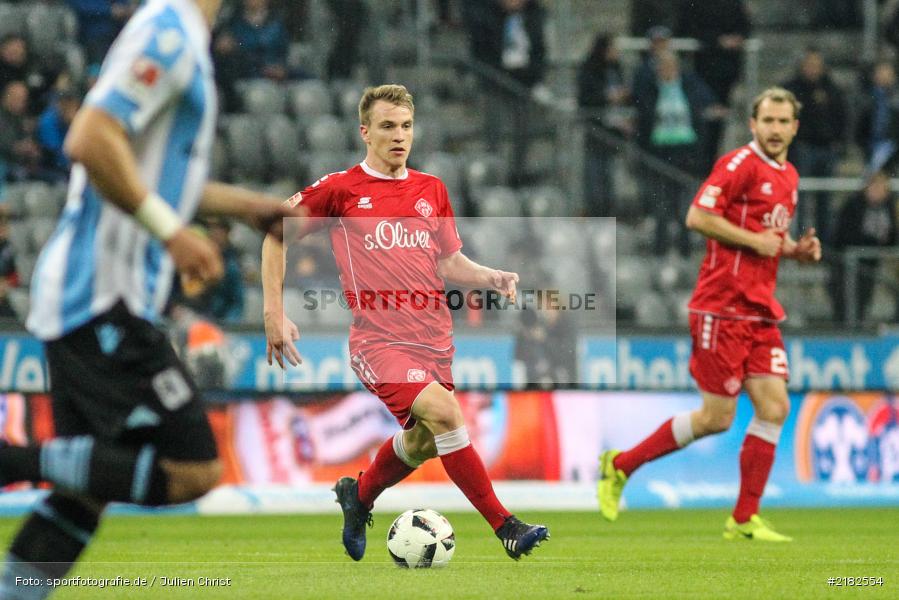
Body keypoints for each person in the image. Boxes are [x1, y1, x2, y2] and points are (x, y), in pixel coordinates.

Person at [0, 1, 294, 597]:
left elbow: (155, 177)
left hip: (97, 295)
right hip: (101, 295)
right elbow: (89, 138)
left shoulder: (179, 36)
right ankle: (12, 462)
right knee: (193, 469)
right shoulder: (168, 35)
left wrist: (253, 208)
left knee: (86, 494)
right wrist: (170, 231)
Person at [261, 84, 549, 561]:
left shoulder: (431, 189)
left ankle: (359, 497)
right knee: (447, 415)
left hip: (435, 340)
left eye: (407, 126)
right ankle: (506, 526)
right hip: (379, 342)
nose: (399, 136)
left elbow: (449, 261)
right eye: (388, 127)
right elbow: (276, 233)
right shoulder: (341, 190)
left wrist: (489, 276)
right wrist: (274, 311)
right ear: (365, 133)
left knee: (424, 441)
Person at [597, 87, 822, 541]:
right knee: (717, 417)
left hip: (758, 311)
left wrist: (794, 250)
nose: (776, 130)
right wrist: (752, 240)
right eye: (768, 121)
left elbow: (767, 238)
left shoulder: (790, 175)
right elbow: (697, 216)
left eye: (784, 122)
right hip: (721, 307)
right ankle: (621, 465)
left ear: (795, 127)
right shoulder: (739, 165)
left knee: (774, 407)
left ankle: (743, 520)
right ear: (752, 124)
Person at [829, 171, 898, 324]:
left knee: (866, 296)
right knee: (849, 297)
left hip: (872, 260)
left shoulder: (888, 207)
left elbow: (892, 235)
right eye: (875, 188)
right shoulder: (854, 205)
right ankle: (847, 326)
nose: (878, 192)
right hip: (849, 261)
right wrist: (873, 240)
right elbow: (844, 234)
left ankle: (860, 322)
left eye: (882, 189)